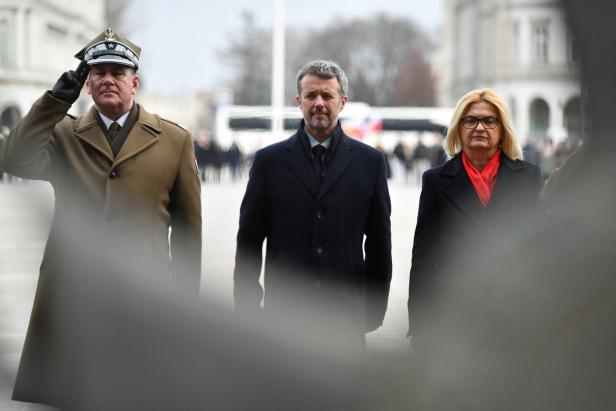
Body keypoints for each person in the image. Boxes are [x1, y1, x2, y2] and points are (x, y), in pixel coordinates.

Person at [0, 28, 202, 407]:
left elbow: (189, 233)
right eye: (98, 73)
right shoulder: (62, 135)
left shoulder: (174, 140)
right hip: (73, 294)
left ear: (134, 82)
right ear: (87, 85)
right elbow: (13, 159)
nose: (108, 79)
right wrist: (55, 100)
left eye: (118, 72)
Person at [233, 60, 392, 345]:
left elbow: (380, 243)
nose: (319, 103)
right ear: (299, 101)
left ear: (342, 102)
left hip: (345, 317)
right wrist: (247, 305)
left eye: (327, 95)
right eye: (311, 96)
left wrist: (372, 310)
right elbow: (249, 239)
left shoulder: (370, 163)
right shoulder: (269, 162)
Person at [407, 88, 542, 339]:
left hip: (513, 314)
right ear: (458, 128)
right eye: (470, 120)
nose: (480, 127)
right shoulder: (435, 180)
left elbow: (539, 251)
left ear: (503, 129)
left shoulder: (529, 177)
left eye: (489, 120)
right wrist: (418, 322)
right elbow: (424, 257)